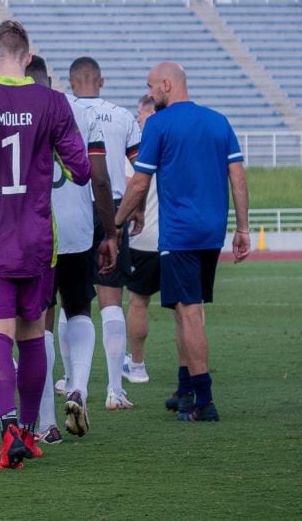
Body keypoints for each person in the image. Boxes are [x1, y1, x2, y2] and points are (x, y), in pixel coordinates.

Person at [0, 21, 91, 469]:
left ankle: (8, 432)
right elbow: (80, 169)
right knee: (31, 336)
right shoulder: (53, 103)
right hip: (37, 242)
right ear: (28, 58)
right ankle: (28, 429)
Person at [115, 61, 250, 423]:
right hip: (211, 233)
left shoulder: (158, 124)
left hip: (180, 234)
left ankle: (203, 400)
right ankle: (185, 388)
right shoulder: (218, 121)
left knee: (188, 312)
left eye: (151, 87)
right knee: (184, 309)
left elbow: (140, 182)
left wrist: (117, 221)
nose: (149, 93)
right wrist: (243, 229)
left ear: (167, 85)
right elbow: (237, 176)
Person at [24, 56, 117, 443]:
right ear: (53, 79)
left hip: (33, 230)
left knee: (39, 324)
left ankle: (47, 424)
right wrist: (109, 232)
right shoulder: (78, 111)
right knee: (79, 309)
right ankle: (77, 385)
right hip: (78, 231)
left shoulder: (13, 113)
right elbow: (98, 176)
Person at [65, 57, 142, 411]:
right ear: (102, 81)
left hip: (73, 207)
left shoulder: (61, 111)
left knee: (71, 302)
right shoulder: (123, 116)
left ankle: (71, 381)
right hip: (111, 207)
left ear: (69, 82)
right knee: (112, 303)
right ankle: (115, 390)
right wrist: (134, 209)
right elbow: (140, 168)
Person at [122, 95, 160, 384]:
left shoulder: (142, 149)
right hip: (177, 239)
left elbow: (130, 188)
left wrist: (116, 224)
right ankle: (193, 369)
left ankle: (137, 365)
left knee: (138, 301)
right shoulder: (178, 145)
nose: (137, 121)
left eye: (141, 115)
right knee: (189, 305)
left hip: (143, 238)